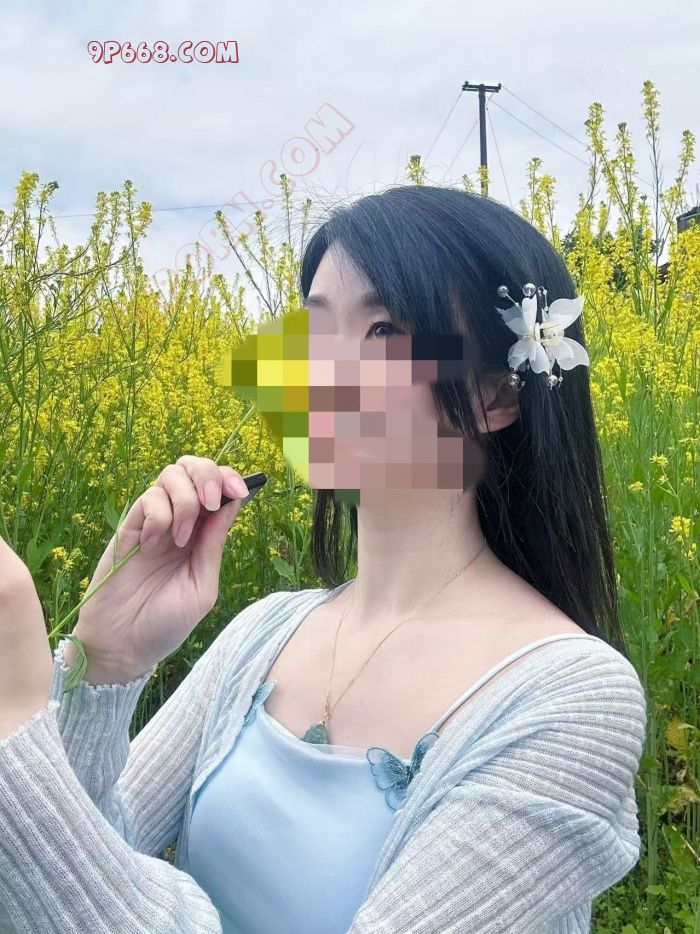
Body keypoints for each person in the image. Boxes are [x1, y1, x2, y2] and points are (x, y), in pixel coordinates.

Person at [0, 185, 647, 933]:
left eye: (382, 330)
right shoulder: (264, 633)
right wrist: (105, 665)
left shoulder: (573, 698)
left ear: (498, 395)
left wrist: (13, 727)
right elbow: (72, 869)